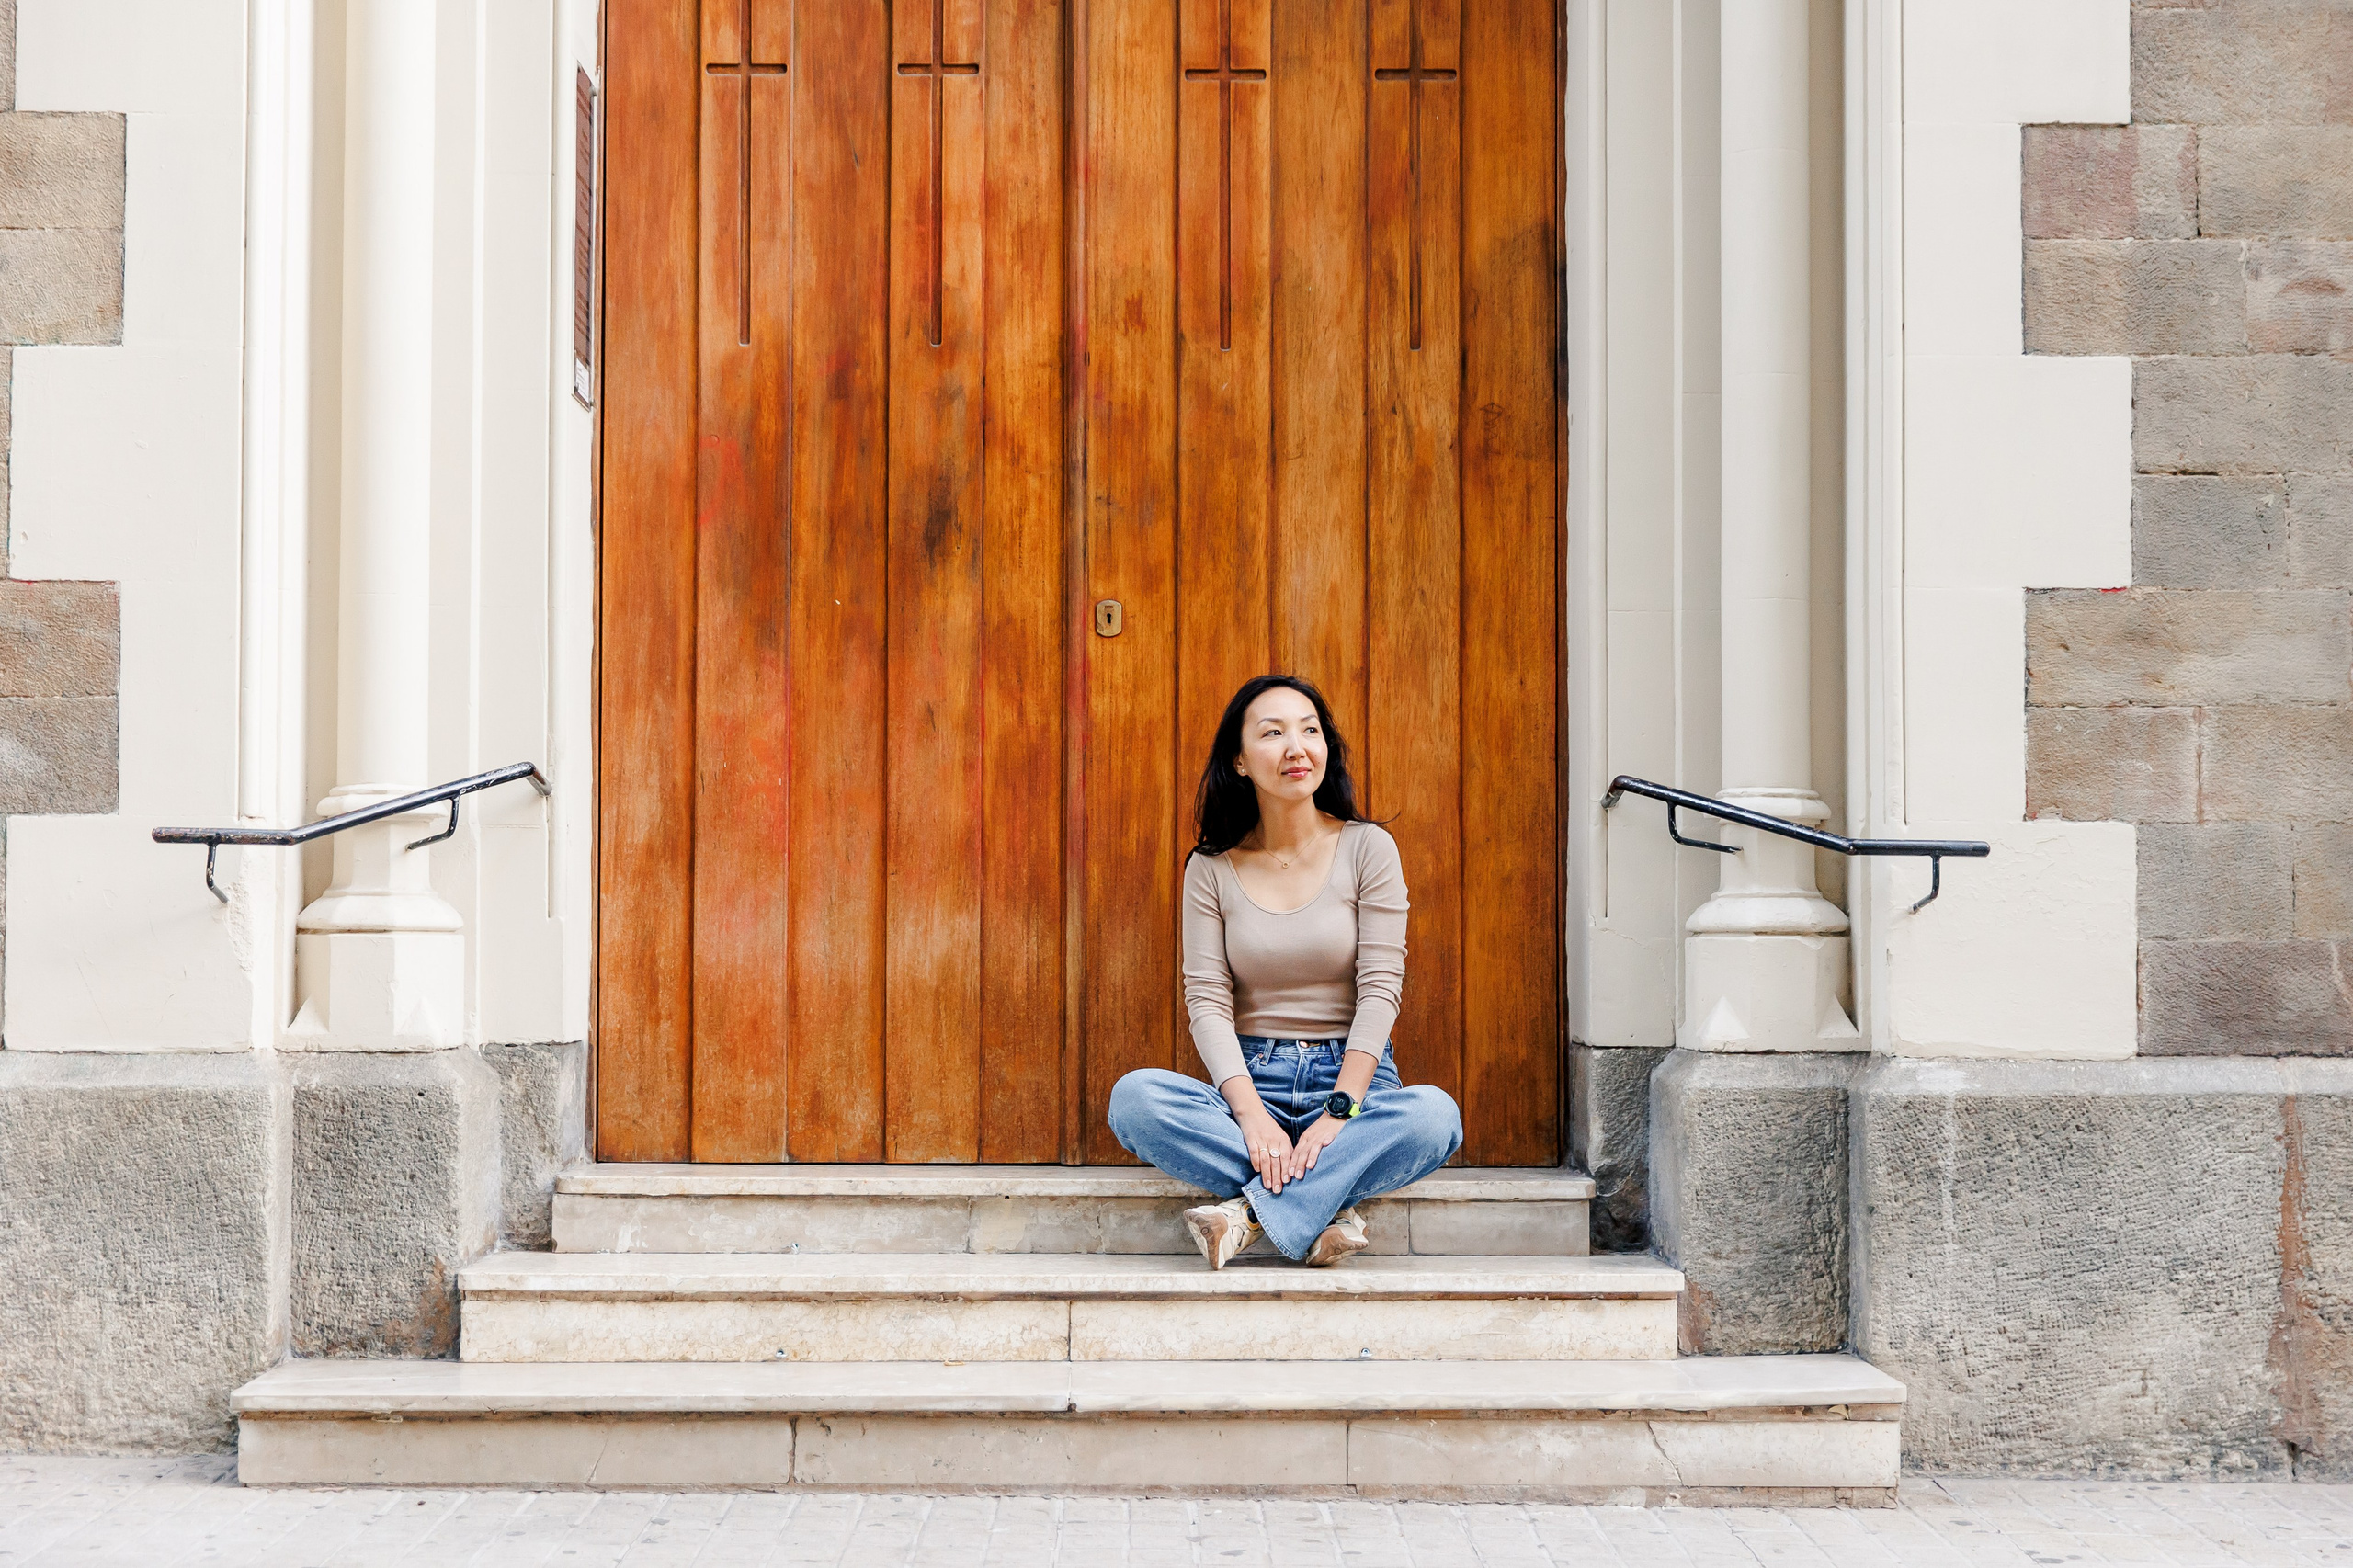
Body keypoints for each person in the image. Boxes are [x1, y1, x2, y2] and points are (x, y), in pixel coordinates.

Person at [1107, 674, 1464, 1268]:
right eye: (1273, 733)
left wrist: (1339, 1112)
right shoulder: (1212, 868)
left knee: (1434, 1118)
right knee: (1135, 1100)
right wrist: (1250, 1115)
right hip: (1254, 1078)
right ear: (1240, 761)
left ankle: (1248, 1216)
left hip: (1353, 1081)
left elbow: (1380, 988)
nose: (1297, 747)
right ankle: (1324, 1210)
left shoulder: (1368, 848)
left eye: (1310, 730)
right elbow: (1208, 1000)